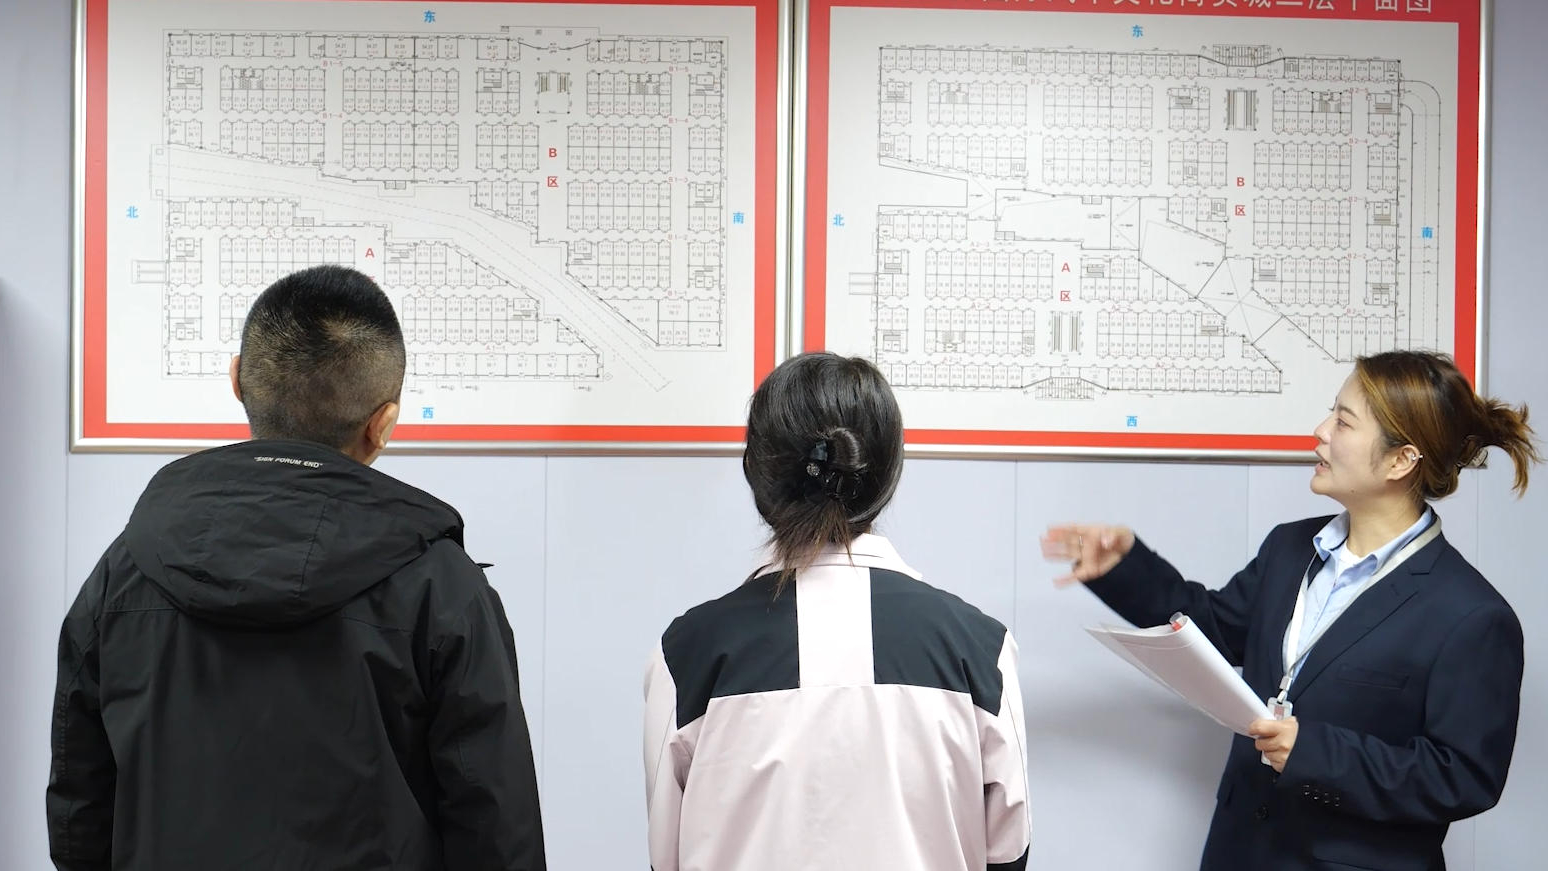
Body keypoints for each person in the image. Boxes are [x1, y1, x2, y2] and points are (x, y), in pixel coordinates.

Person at [47, 265, 546, 870]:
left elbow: (80, 807)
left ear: (237, 381)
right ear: (383, 423)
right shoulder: (442, 588)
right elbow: (495, 828)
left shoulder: (123, 570)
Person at [1042, 349, 1538, 871]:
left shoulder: (1472, 615)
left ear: (1401, 460)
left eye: (1344, 422)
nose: (1320, 432)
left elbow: (1462, 777)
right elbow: (1211, 629)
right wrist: (1124, 569)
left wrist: (1313, 755)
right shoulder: (1289, 548)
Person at [643, 351, 1031, 871]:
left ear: (757, 473)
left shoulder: (686, 653)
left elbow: (666, 855)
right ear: (886, 473)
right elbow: (1008, 851)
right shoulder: (980, 651)